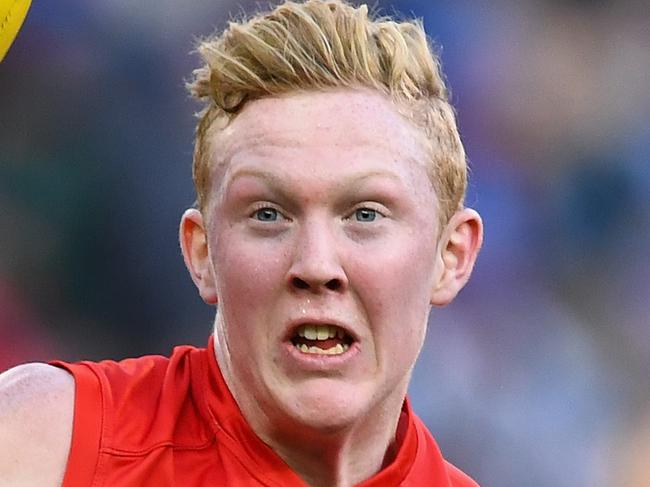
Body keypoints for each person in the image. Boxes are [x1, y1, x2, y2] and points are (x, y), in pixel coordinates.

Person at [0, 0, 483, 485]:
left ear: (452, 256)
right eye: (268, 214)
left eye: (365, 214)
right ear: (201, 253)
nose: (316, 265)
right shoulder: (43, 444)